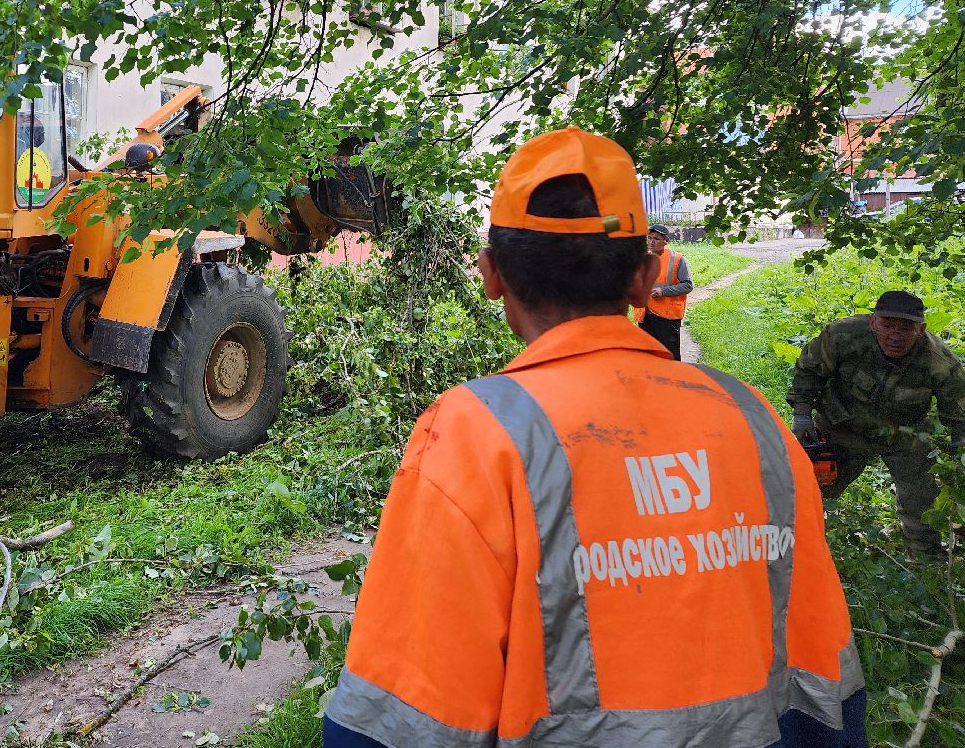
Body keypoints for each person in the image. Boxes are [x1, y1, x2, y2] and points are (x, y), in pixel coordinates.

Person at [324, 127, 864, 748]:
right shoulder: (754, 418)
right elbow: (826, 681)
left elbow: (399, 722)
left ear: (491, 273)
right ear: (643, 279)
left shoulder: (477, 435)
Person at [788, 290, 965, 557]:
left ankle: (925, 560)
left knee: (921, 499)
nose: (895, 335)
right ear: (873, 322)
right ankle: (798, 549)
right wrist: (802, 415)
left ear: (921, 330)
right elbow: (809, 371)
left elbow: (958, 412)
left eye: (905, 328)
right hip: (841, 427)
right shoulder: (842, 335)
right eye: (887, 325)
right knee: (812, 488)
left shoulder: (939, 360)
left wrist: (959, 452)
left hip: (905, 435)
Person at [632, 222, 693, 359]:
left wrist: (663, 291)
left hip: (667, 316)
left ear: (666, 240)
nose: (651, 242)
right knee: (649, 355)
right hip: (644, 315)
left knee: (669, 355)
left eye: (656, 239)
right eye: (649, 238)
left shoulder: (677, 259)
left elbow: (688, 285)